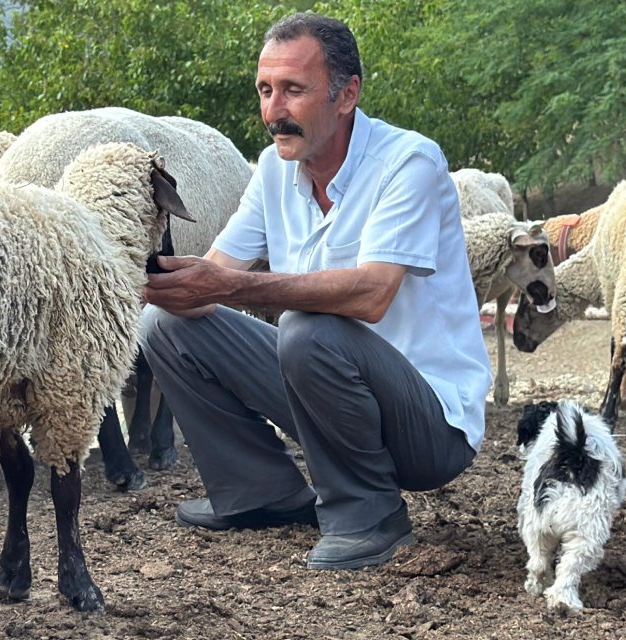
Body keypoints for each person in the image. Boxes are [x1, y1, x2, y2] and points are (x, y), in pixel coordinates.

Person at [140, 12, 491, 570]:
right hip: (328, 397)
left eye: (293, 90)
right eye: (265, 90)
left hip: (429, 425)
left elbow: (371, 295)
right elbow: (212, 276)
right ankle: (259, 492)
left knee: (308, 325)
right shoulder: (273, 169)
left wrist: (230, 285)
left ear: (346, 94)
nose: (273, 111)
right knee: (167, 324)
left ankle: (370, 515)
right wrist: (145, 282)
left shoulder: (410, 163)